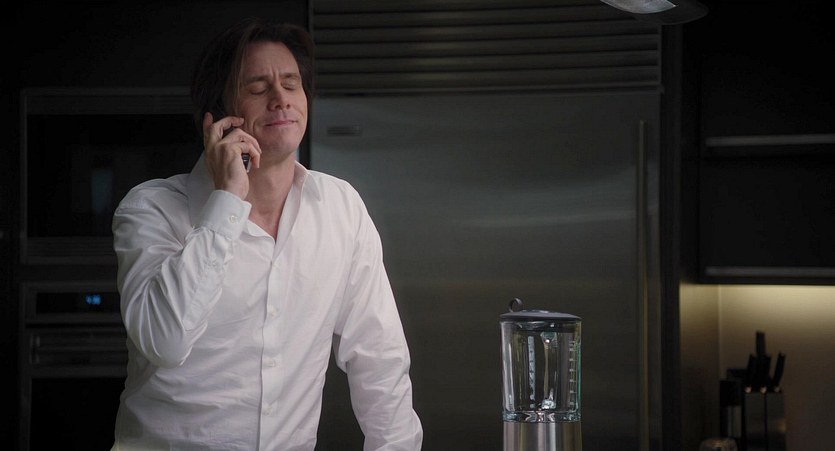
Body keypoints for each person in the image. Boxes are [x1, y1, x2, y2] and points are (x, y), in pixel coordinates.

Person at [110, 18, 423, 450]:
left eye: (291, 84)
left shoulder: (341, 207)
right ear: (218, 117)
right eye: (258, 88)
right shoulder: (152, 208)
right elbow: (165, 341)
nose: (281, 99)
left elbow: (380, 359)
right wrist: (226, 201)